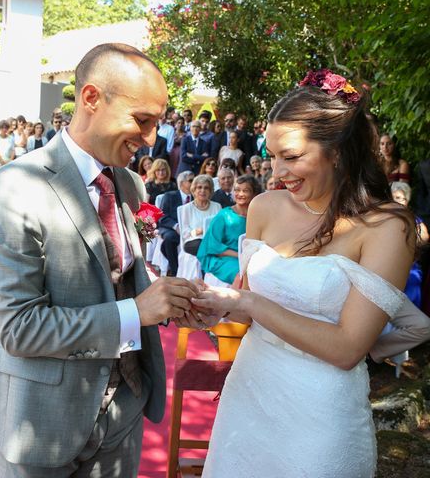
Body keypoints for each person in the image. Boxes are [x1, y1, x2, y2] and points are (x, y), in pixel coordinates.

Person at [0, 43, 199, 477]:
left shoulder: (132, 184)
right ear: (91, 98)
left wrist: (171, 298)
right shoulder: (13, 186)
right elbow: (20, 328)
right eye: (143, 121)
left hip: (125, 410)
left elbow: (117, 273)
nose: (153, 138)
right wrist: (137, 311)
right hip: (43, 420)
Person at [186, 71, 416, 477]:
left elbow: (348, 348)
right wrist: (210, 304)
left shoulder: (388, 227)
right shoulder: (264, 207)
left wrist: (247, 302)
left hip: (322, 416)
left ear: (338, 151)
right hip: (250, 397)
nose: (276, 172)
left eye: (290, 157)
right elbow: (244, 308)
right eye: (271, 155)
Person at [198, 175, 261, 283]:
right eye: (237, 190)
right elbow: (214, 247)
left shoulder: (258, 216)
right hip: (224, 258)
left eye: (245, 190)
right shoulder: (224, 215)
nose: (240, 194)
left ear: (254, 193)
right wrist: (241, 256)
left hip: (250, 258)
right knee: (242, 274)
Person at [159, 171, 195, 277]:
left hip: (191, 228)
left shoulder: (196, 197)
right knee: (170, 239)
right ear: (182, 183)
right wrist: (176, 226)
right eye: (190, 181)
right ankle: (175, 271)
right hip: (171, 227)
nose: (194, 183)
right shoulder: (170, 196)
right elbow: (162, 216)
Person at [178, 174, 221, 256]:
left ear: (211, 191)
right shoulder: (186, 208)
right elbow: (184, 232)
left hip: (212, 239)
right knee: (201, 246)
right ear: (194, 190)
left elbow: (220, 226)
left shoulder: (217, 206)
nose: (203, 190)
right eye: (199, 187)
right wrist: (196, 232)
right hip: (194, 241)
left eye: (206, 188)